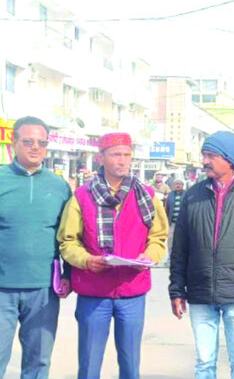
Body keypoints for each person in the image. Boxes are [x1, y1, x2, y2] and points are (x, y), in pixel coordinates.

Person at [58, 132, 168, 379]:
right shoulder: (82, 196)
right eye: (116, 155)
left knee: (130, 364)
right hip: (93, 292)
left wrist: (148, 256)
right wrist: (86, 260)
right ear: (100, 158)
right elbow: (68, 241)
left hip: (132, 291)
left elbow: (159, 237)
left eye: (127, 155)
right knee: (89, 365)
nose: (122, 160)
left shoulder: (146, 195)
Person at [169, 131, 234, 379]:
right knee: (204, 363)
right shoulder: (192, 196)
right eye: (204, 155)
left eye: (211, 156)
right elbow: (180, 248)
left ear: (229, 159)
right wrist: (176, 289)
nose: (205, 161)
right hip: (200, 293)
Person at [0, 116, 72, 379]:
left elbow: (69, 236)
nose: (35, 148)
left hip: (43, 289)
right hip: (2, 288)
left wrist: (69, 274)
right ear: (14, 142)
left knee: (39, 362)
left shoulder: (59, 186)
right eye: (28, 141)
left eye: (42, 143)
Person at [164, 178, 186, 264]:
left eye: (179, 184)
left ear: (182, 185)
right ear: (173, 185)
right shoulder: (170, 195)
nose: (178, 185)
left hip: (184, 223)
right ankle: (170, 257)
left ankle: (182, 258)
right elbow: (167, 208)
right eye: (176, 184)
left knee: (183, 241)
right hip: (172, 223)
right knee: (171, 241)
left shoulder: (187, 194)